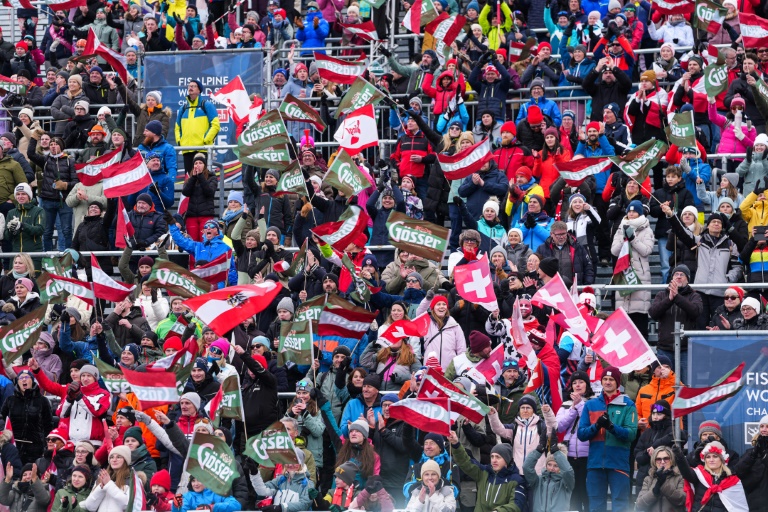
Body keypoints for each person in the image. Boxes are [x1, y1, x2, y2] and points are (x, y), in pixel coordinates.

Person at [577, 366, 638, 512]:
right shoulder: (591, 404)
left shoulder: (628, 405)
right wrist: (597, 426)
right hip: (595, 464)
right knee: (596, 506)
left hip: (618, 463)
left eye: (611, 379)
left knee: (620, 505)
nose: (608, 382)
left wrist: (611, 427)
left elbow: (631, 434)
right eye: (605, 379)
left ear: (618, 383)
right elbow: (581, 434)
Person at [447, 430, 527, 512]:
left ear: (507, 459)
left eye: (498, 457)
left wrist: (498, 511)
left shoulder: (517, 480)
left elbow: (517, 504)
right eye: (492, 457)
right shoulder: (484, 472)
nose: (494, 460)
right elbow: (465, 462)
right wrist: (456, 444)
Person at [674, 440, 749, 511]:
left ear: (722, 459)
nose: (711, 460)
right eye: (708, 457)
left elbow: (739, 507)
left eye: (715, 456)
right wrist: (678, 455)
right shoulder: (699, 474)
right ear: (705, 460)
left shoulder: (733, 481)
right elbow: (685, 472)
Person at [0, 371, 52, 465]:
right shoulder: (10, 400)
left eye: (27, 377)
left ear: (32, 381)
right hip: (14, 445)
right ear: (18, 382)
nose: (24, 379)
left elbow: (48, 424)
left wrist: (46, 444)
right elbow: (1, 419)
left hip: (35, 447)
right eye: (21, 378)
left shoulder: (42, 400)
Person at [174, 79, 221, 173]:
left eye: (193, 86)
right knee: (190, 180)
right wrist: (180, 142)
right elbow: (177, 127)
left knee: (202, 179)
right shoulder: (183, 108)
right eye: (189, 86)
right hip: (186, 150)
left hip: (202, 149)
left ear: (199, 90)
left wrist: (206, 140)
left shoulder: (206, 105)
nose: (190, 87)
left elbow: (215, 125)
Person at [635, 446, 687, 512]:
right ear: (654, 461)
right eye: (658, 459)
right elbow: (639, 505)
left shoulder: (680, 478)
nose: (662, 462)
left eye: (666, 458)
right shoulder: (648, 479)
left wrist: (663, 484)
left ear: (671, 460)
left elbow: (682, 500)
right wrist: (654, 491)